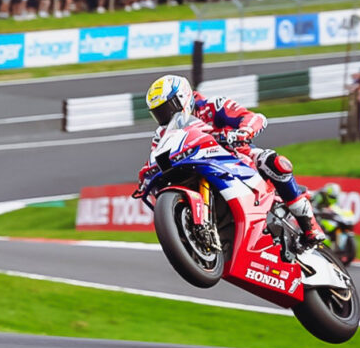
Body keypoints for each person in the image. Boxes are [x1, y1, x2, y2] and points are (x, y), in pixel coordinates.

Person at [138, 75, 325, 246]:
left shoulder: (213, 106)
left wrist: (244, 131)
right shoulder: (162, 134)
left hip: (237, 156)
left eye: (167, 109)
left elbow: (253, 117)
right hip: (195, 166)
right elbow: (156, 156)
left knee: (273, 161)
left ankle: (310, 226)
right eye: (159, 113)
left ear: (183, 98)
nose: (165, 117)